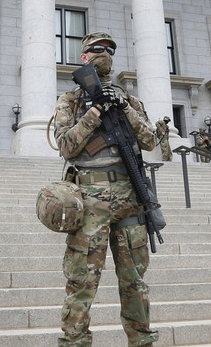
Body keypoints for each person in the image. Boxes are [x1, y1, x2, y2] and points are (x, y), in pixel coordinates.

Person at [52, 31, 159, 347]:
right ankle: (75, 341)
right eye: (97, 49)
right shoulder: (70, 100)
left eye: (110, 49)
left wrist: (123, 106)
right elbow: (67, 146)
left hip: (129, 197)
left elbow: (151, 140)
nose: (104, 54)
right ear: (83, 57)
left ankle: (141, 339)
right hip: (90, 200)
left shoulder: (129, 99)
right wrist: (94, 111)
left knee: (134, 282)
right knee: (82, 281)